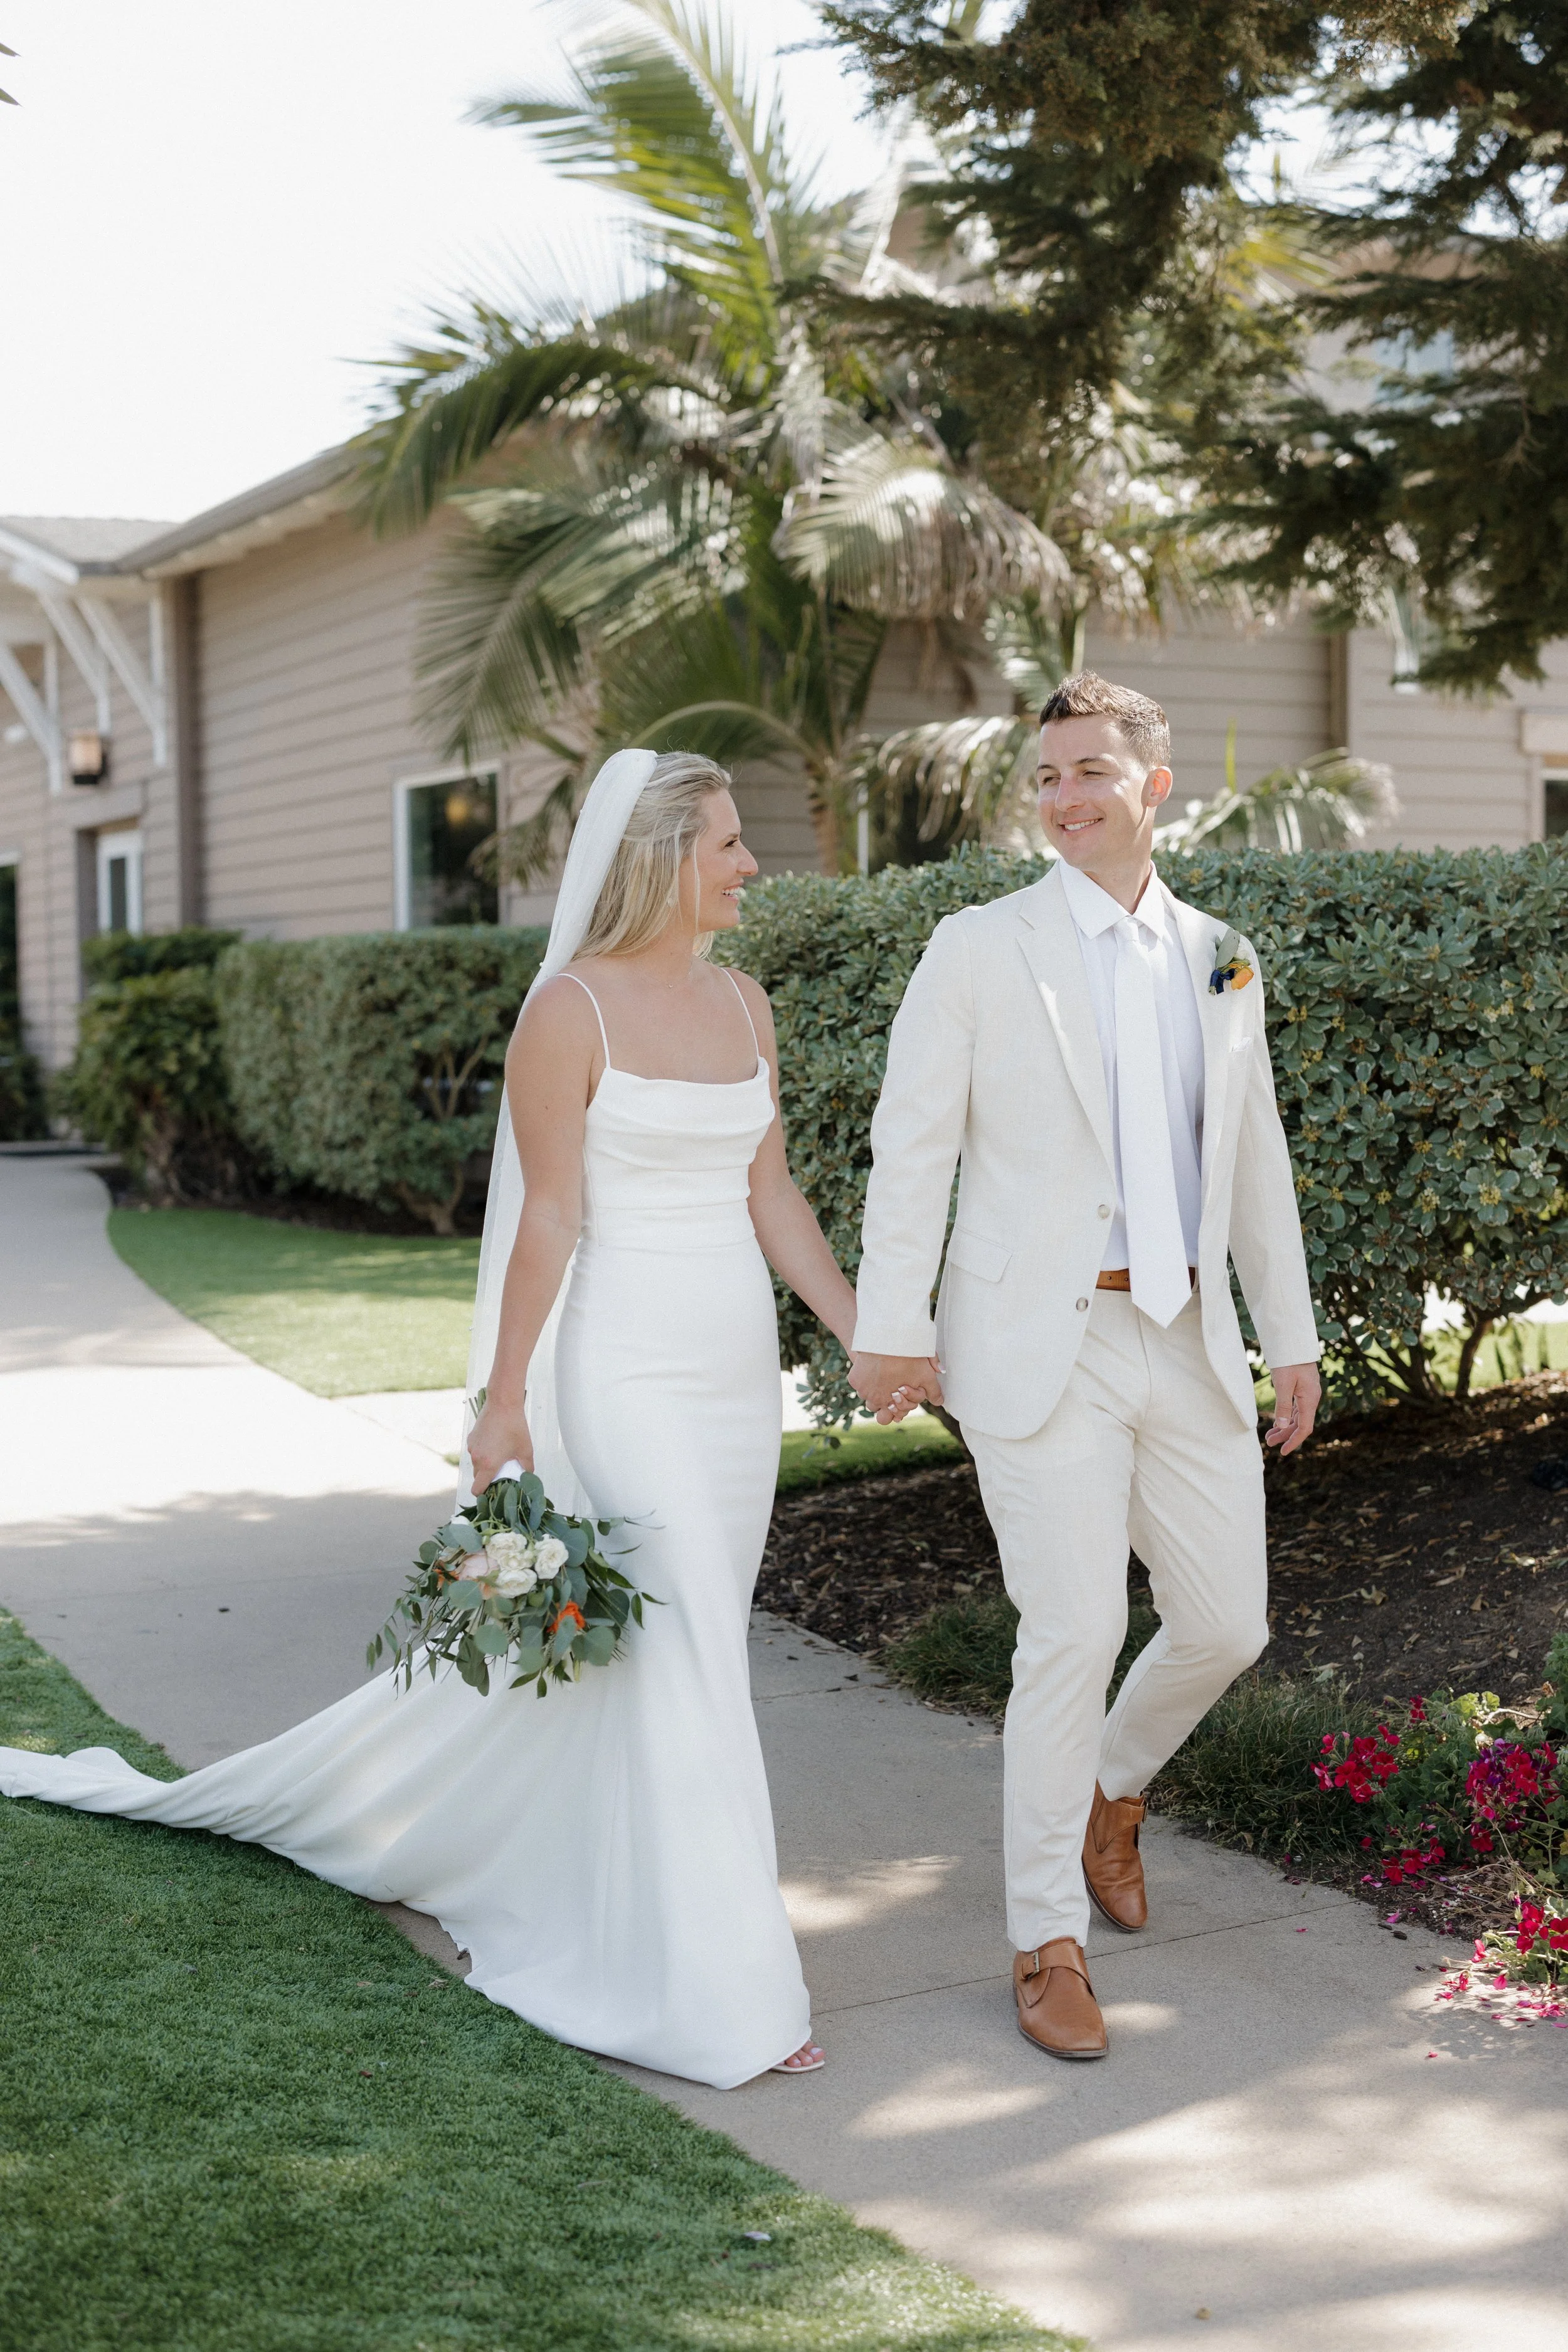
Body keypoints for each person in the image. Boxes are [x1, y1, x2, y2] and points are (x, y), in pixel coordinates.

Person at [0, 748, 859, 2089]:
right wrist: (503, 1400)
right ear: (658, 863)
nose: (752, 865)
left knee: (684, 1658)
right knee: (688, 1659)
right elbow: (549, 1223)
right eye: (729, 844)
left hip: (732, 1374)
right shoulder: (566, 1013)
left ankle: (629, 1907)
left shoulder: (746, 1005)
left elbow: (775, 1200)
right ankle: (722, 1993)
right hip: (623, 1369)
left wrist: (863, 1330)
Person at [849, 673, 1321, 2062]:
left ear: (1152, 787)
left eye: (1090, 772)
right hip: (1031, 1341)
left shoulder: (1221, 956)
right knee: (1067, 1634)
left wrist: (1284, 1333)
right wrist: (893, 1323)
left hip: (1180, 1336)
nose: (1063, 798)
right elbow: (911, 1146)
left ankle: (1113, 1792)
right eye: (1046, 776)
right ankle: (1042, 1936)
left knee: (1225, 1623)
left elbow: (1254, 1162)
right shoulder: (976, 950)